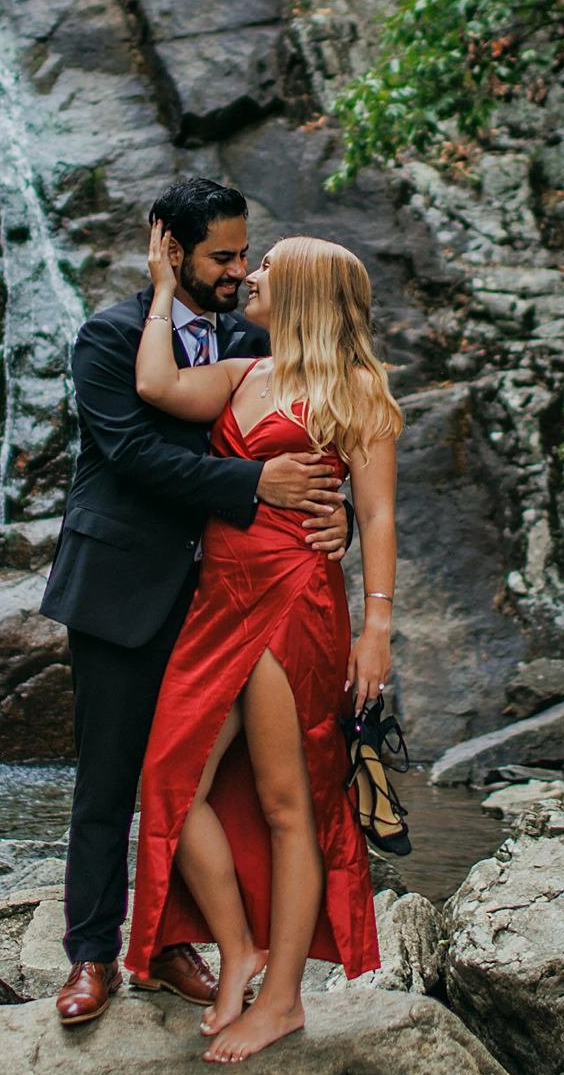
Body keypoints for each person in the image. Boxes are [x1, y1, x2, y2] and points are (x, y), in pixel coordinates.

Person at [40, 177, 349, 1026]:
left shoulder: (253, 337)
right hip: (121, 587)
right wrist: (256, 483)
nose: (237, 269)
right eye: (220, 255)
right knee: (107, 780)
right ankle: (91, 956)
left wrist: (335, 519)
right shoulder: (106, 338)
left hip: (226, 599)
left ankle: (172, 945)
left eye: (244, 253)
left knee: (191, 780)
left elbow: (313, 437)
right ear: (168, 250)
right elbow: (134, 453)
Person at [125, 225, 403, 1063]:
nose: (249, 274)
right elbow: (154, 382)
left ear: (306, 289)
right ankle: (236, 945)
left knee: (292, 803)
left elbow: (381, 513)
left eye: (268, 267)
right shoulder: (242, 372)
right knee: (169, 782)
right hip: (219, 604)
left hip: (294, 604)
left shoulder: (354, 386)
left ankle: (281, 997)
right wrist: (162, 285)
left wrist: (377, 626)